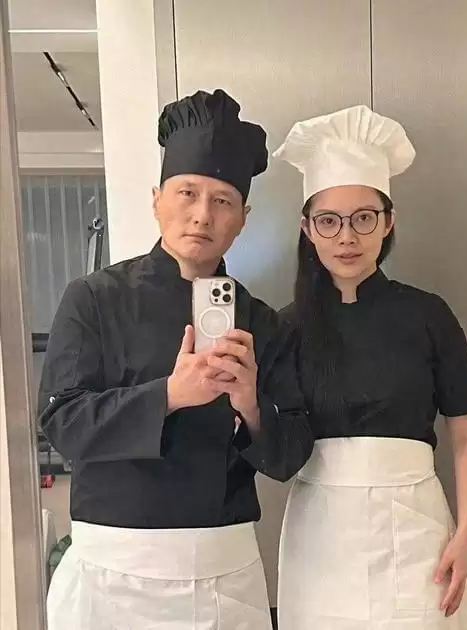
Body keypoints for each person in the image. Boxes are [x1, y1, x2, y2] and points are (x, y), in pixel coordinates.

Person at [38, 88, 314, 630]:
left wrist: (249, 405)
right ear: (157, 199)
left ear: (243, 218)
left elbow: (289, 458)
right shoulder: (94, 298)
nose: (202, 215)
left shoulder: (264, 323)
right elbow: (62, 424)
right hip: (112, 572)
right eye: (187, 193)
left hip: (222, 575)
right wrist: (169, 395)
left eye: (223, 201)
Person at [273, 105, 467, 629]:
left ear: (388, 221)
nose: (347, 237)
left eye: (364, 218)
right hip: (319, 536)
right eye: (329, 221)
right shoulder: (285, 328)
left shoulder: (428, 315)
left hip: (416, 528)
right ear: (307, 229)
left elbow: (466, 432)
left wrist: (465, 532)